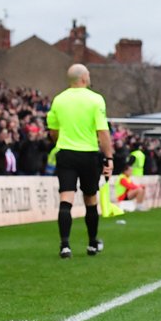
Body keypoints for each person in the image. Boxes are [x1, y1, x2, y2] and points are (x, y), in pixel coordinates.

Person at [47, 64, 113, 258]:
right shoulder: (95, 99)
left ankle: (65, 245)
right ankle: (92, 243)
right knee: (90, 198)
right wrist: (108, 157)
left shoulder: (59, 100)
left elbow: (53, 131)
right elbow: (103, 132)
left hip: (66, 153)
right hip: (89, 154)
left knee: (66, 197)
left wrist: (61, 141)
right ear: (84, 78)